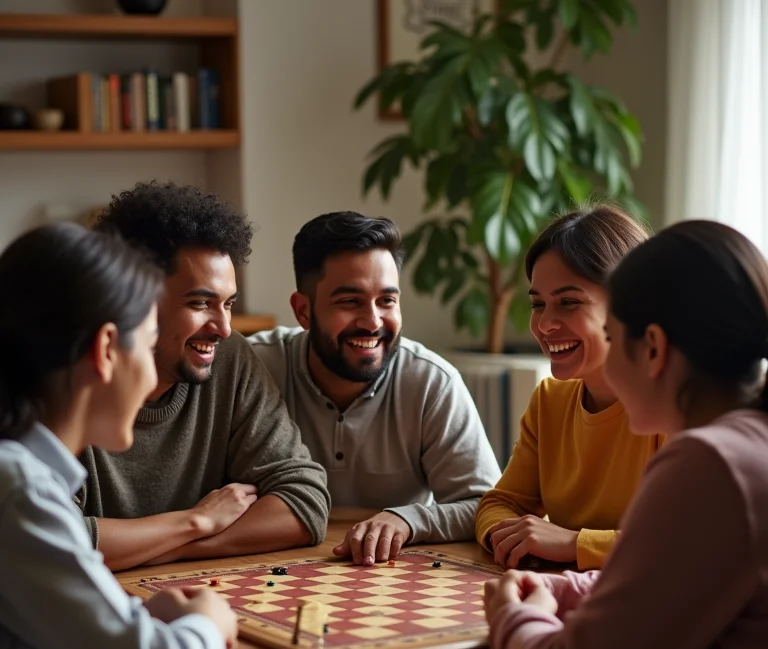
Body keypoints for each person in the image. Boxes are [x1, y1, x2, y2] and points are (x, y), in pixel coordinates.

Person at [484, 220, 768, 649]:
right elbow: (673, 573)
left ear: (654, 348)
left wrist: (512, 618)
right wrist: (566, 589)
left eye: (612, 336)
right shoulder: (746, 444)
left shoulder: (708, 465)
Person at [0, 223, 238, 649]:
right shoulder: (19, 490)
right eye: (149, 341)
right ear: (107, 349)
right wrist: (209, 619)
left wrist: (131, 630)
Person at [77, 181, 330, 572]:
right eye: (200, 303)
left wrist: (171, 549)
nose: (224, 327)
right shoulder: (69, 379)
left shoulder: (229, 359)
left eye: (228, 304)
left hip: (187, 593)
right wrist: (194, 521)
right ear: (133, 299)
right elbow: (55, 539)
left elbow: (304, 503)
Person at [249, 211, 500, 565]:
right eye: (350, 302)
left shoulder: (431, 382)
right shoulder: (255, 370)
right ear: (303, 311)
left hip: (388, 575)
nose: (372, 322)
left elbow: (488, 506)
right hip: (267, 569)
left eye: (387, 300)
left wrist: (408, 518)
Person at [475, 206, 664, 571]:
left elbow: (687, 542)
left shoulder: (674, 407)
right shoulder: (550, 401)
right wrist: (515, 537)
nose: (545, 325)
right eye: (537, 304)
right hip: (567, 595)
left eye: (569, 302)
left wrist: (574, 543)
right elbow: (499, 504)